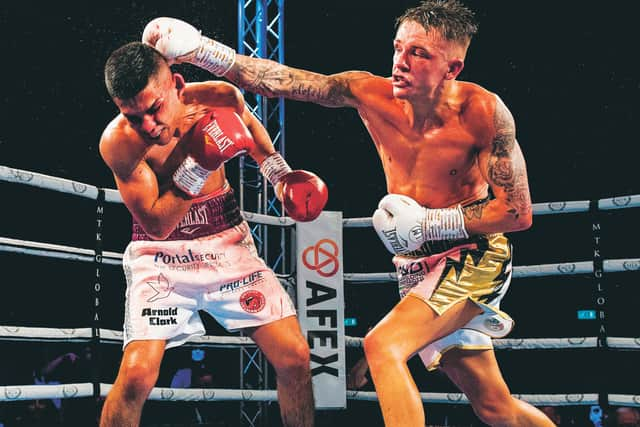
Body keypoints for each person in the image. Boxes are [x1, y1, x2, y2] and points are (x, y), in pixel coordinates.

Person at [140, 1, 555, 426]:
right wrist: (202, 50)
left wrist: (434, 222)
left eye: (419, 54)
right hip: (416, 264)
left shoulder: (482, 113)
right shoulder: (371, 94)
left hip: (472, 255)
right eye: (399, 48)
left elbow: (517, 212)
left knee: (382, 347)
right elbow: (286, 83)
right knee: (494, 407)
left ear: (452, 69)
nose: (401, 62)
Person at [100, 40, 326, 427]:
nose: (149, 127)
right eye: (134, 116)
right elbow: (157, 224)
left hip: (227, 242)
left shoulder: (220, 98)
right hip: (162, 257)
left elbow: (251, 133)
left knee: (295, 357)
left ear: (176, 84)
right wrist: (200, 163)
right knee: (137, 375)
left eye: (154, 109)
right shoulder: (119, 143)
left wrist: (280, 176)